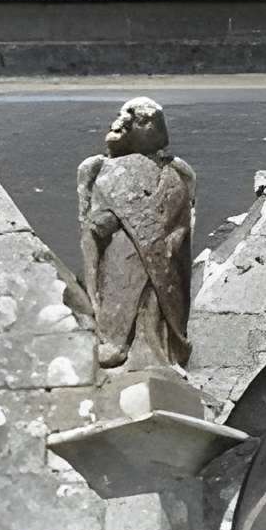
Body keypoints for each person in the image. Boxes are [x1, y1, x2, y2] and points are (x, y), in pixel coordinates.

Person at [77, 97, 193, 372]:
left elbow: (179, 228)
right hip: (120, 256)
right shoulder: (100, 169)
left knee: (153, 309)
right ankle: (121, 344)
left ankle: (154, 354)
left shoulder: (175, 172)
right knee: (123, 293)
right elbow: (96, 226)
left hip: (160, 266)